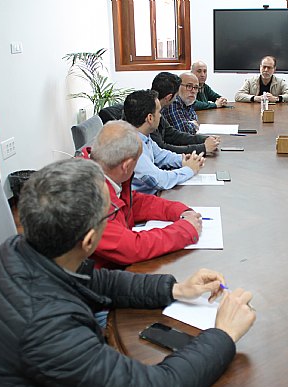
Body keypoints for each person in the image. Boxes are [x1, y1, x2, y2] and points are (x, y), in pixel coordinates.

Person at [0, 158, 256, 387]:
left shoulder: (22, 249)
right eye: (111, 213)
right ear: (89, 241)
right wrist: (223, 334)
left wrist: (176, 289)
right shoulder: (47, 325)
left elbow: (96, 281)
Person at [86, 120, 202, 269]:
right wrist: (185, 230)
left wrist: (180, 211)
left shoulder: (104, 173)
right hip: (100, 277)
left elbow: (134, 203)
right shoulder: (90, 195)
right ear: (127, 166)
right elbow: (131, 248)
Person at [98, 72, 220, 155]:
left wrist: (204, 139)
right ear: (169, 97)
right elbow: (162, 149)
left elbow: (171, 134)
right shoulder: (148, 114)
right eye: (176, 96)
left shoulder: (156, 108)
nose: (176, 99)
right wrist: (202, 148)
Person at [124, 89, 205, 194]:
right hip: (139, 200)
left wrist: (184, 159)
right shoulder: (132, 146)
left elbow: (161, 156)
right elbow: (160, 180)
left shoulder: (143, 137)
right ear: (150, 118)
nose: (161, 116)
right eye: (159, 112)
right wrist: (189, 169)